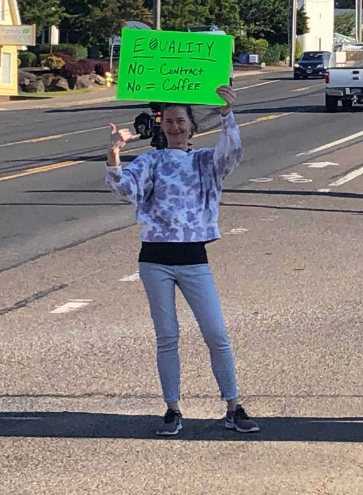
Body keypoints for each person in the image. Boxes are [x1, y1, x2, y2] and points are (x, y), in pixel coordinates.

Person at [105, 85, 259, 437]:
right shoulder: (150, 162)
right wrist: (114, 154)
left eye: (181, 121)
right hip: (154, 260)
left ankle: (233, 406)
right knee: (167, 337)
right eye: (169, 121)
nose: (175, 126)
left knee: (216, 334)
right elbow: (125, 190)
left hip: (193, 259)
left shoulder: (204, 161)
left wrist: (226, 113)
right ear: (161, 126)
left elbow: (231, 154)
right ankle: (172, 409)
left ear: (191, 127)